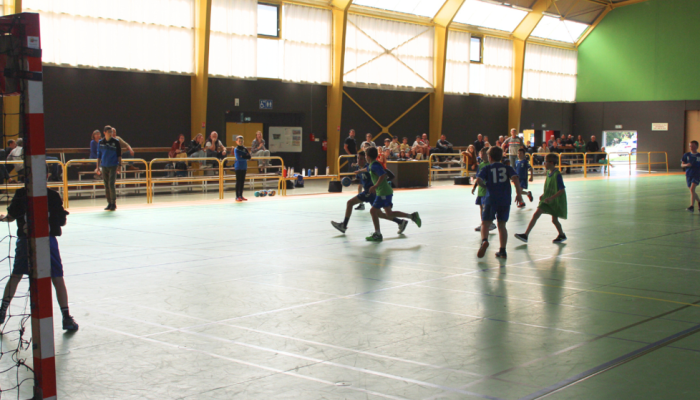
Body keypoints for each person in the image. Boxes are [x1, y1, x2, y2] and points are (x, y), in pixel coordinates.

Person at [0, 188, 78, 331]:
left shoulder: (21, 193)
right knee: (57, 278)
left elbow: (11, 216)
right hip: (47, 241)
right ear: (46, 176)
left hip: (25, 240)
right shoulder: (52, 195)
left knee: (16, 275)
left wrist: (3, 218)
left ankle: (2, 311)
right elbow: (61, 221)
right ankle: (66, 317)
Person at [474, 146, 524, 259]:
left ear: (490, 157)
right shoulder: (506, 168)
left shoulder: (487, 168)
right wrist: (519, 195)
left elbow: (479, 180)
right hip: (505, 200)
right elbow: (515, 178)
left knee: (485, 223)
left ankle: (484, 241)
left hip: (491, 199)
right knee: (502, 225)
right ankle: (502, 251)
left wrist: (485, 185)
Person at [363, 147, 421, 242]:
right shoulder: (372, 165)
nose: (365, 157)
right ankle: (412, 216)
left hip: (383, 192)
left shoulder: (374, 166)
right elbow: (368, 169)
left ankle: (377, 234)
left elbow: (382, 175)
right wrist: (360, 171)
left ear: (368, 156)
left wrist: (375, 186)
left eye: (365, 155)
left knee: (373, 211)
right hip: (385, 191)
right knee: (389, 214)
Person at [514, 153, 568, 244]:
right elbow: (549, 186)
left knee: (554, 220)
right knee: (537, 214)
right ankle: (526, 235)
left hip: (554, 200)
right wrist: (544, 194)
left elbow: (561, 190)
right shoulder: (548, 173)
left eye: (545, 162)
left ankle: (561, 234)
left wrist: (551, 198)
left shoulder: (557, 174)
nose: (544, 164)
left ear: (551, 162)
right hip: (547, 199)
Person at [331, 157, 377, 233]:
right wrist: (349, 182)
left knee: (350, 203)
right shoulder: (359, 168)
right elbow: (358, 180)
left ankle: (344, 226)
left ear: (365, 160)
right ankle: (399, 222)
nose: (358, 160)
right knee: (379, 213)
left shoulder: (368, 167)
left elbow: (371, 173)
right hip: (368, 193)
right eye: (358, 158)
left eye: (360, 159)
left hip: (370, 192)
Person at [94, 126, 121, 211]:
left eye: (111, 132)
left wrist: (119, 165)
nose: (111, 133)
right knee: (106, 185)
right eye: (109, 132)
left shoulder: (116, 142)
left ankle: (113, 203)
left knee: (111, 184)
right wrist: (97, 167)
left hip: (113, 165)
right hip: (104, 165)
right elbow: (99, 155)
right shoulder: (101, 142)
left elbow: (119, 155)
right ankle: (109, 202)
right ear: (105, 132)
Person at [472, 147, 496, 233]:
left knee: (487, 207)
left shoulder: (490, 165)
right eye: (481, 153)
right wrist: (474, 187)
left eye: (484, 153)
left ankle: (491, 223)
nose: (482, 155)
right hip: (481, 190)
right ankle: (483, 223)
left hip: (488, 190)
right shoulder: (481, 165)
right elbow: (478, 177)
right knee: (481, 207)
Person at [681, 140, 700, 212]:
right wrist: (686, 165)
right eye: (690, 146)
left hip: (697, 175)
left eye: (692, 146)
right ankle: (699, 201)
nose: (691, 147)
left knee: (692, 189)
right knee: (692, 191)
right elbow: (682, 164)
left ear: (697, 146)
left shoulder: (699, 156)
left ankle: (691, 206)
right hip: (689, 175)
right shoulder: (686, 155)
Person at [233, 135, 251, 202]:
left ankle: (241, 195)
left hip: (244, 166)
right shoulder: (236, 149)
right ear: (236, 142)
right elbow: (238, 157)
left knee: (242, 181)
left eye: (241, 141)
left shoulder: (245, 148)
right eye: (239, 141)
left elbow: (249, 157)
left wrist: (243, 155)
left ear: (243, 141)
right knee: (238, 181)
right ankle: (237, 196)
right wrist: (244, 155)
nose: (240, 142)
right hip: (238, 167)